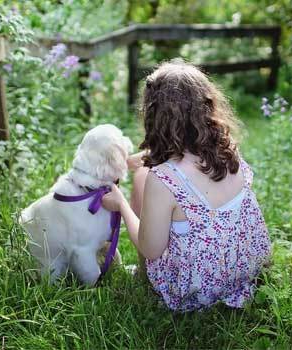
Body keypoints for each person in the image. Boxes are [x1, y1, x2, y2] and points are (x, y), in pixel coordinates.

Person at [101, 61, 271, 312]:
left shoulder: (162, 179)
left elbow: (151, 249)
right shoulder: (228, 149)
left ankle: (144, 277)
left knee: (141, 178)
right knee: (147, 174)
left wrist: (122, 205)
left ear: (155, 115)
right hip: (244, 271)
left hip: (196, 289)